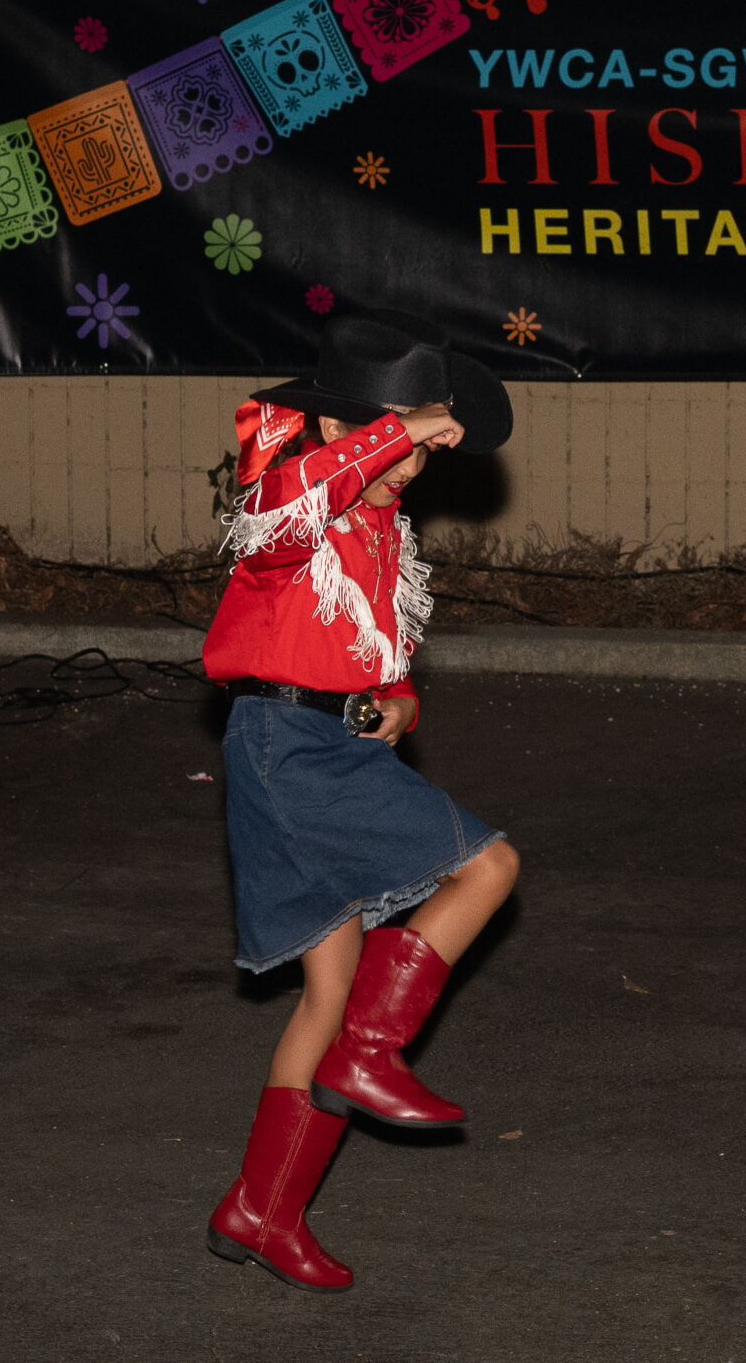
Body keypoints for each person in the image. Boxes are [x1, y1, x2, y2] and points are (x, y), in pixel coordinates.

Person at [197, 312, 520, 1293]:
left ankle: (261, 1209)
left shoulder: (376, 524)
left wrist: (400, 693)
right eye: (398, 443)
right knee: (489, 865)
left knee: (328, 997)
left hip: (324, 740)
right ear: (341, 431)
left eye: (422, 452)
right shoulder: (289, 501)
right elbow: (292, 502)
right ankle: (373, 1055)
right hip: (287, 750)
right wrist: (401, 431)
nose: (411, 468)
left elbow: (373, 641)